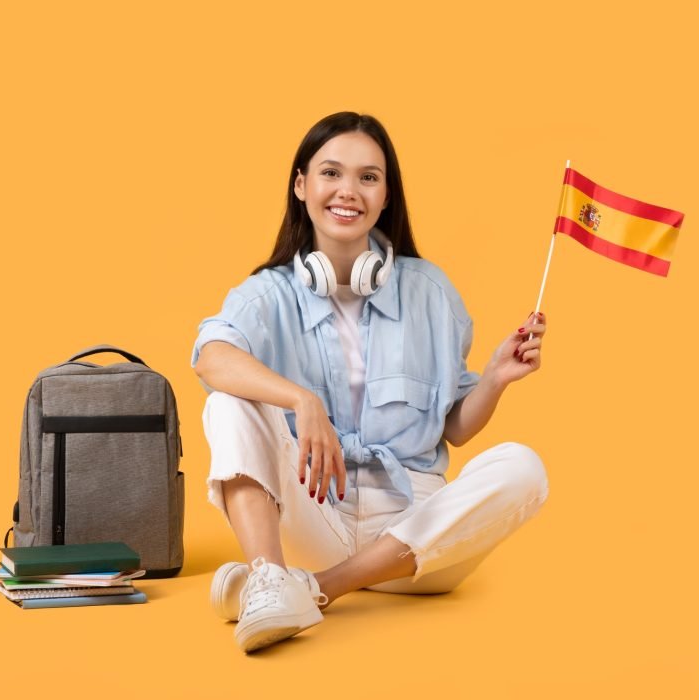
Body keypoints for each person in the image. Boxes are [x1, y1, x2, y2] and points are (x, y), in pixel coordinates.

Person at [192, 112, 549, 653]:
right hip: (316, 515)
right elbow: (211, 357)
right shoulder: (268, 294)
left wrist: (496, 377)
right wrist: (301, 400)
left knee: (525, 466)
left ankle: (307, 588)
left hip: (417, 543)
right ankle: (270, 575)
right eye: (331, 173)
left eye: (368, 177)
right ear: (301, 185)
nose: (348, 191)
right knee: (228, 403)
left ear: (386, 196)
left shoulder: (432, 292)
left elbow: (455, 429)